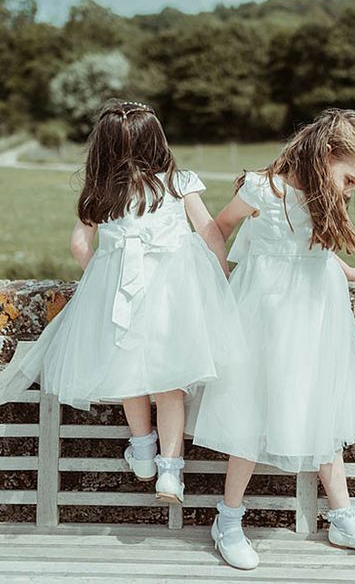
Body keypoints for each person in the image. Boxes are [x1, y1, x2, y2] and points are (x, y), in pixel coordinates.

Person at [0, 99, 245, 505]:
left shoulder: (100, 191)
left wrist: (105, 271)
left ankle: (143, 450)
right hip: (174, 298)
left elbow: (80, 244)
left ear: (102, 147)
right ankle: (170, 471)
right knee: (170, 383)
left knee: (130, 373)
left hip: (122, 297)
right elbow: (209, 232)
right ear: (156, 142)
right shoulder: (178, 182)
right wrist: (220, 276)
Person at [191, 108, 355, 569]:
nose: (349, 190)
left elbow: (317, 247)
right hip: (265, 314)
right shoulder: (263, 190)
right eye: (349, 179)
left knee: (320, 407)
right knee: (248, 408)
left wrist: (349, 270)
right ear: (326, 154)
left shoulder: (323, 194)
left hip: (316, 313)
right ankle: (228, 519)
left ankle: (343, 519)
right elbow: (217, 229)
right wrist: (215, 277)